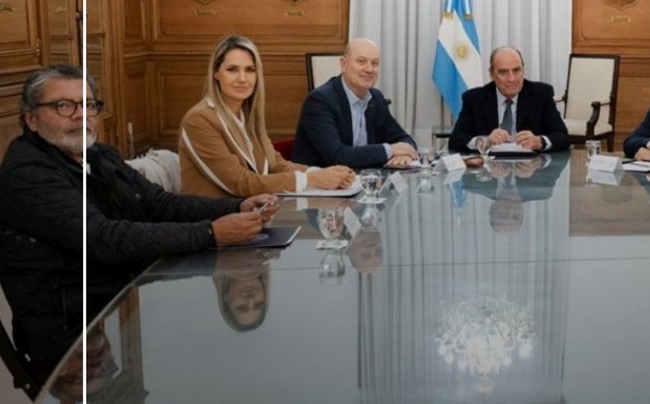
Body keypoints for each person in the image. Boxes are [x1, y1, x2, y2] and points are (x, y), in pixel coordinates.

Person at [0, 65, 277, 373]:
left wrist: (235, 208)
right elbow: (104, 238)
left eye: (88, 105)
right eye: (63, 106)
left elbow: (158, 204)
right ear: (31, 118)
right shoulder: (27, 173)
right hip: (71, 332)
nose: (81, 115)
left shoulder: (98, 156)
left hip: (118, 296)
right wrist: (210, 233)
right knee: (201, 351)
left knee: (224, 345)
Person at [179, 34, 355, 197]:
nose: (242, 78)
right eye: (232, 69)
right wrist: (312, 180)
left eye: (250, 70)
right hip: (214, 222)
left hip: (251, 215)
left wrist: (321, 173)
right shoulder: (199, 120)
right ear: (216, 73)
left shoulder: (246, 116)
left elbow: (275, 163)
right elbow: (241, 183)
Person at [291, 37, 419, 169]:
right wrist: (391, 150)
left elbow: (404, 139)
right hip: (321, 185)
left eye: (375, 63)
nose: (369, 69)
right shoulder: (320, 101)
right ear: (343, 64)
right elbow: (336, 156)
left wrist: (404, 155)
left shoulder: (376, 98)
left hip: (363, 182)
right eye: (361, 61)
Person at [448, 46, 569, 153]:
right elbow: (456, 140)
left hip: (531, 170)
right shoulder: (474, 99)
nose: (511, 79)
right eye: (503, 72)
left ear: (523, 70)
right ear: (491, 74)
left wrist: (539, 141)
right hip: (489, 172)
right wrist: (484, 141)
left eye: (516, 70)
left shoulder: (541, 94)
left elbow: (563, 137)